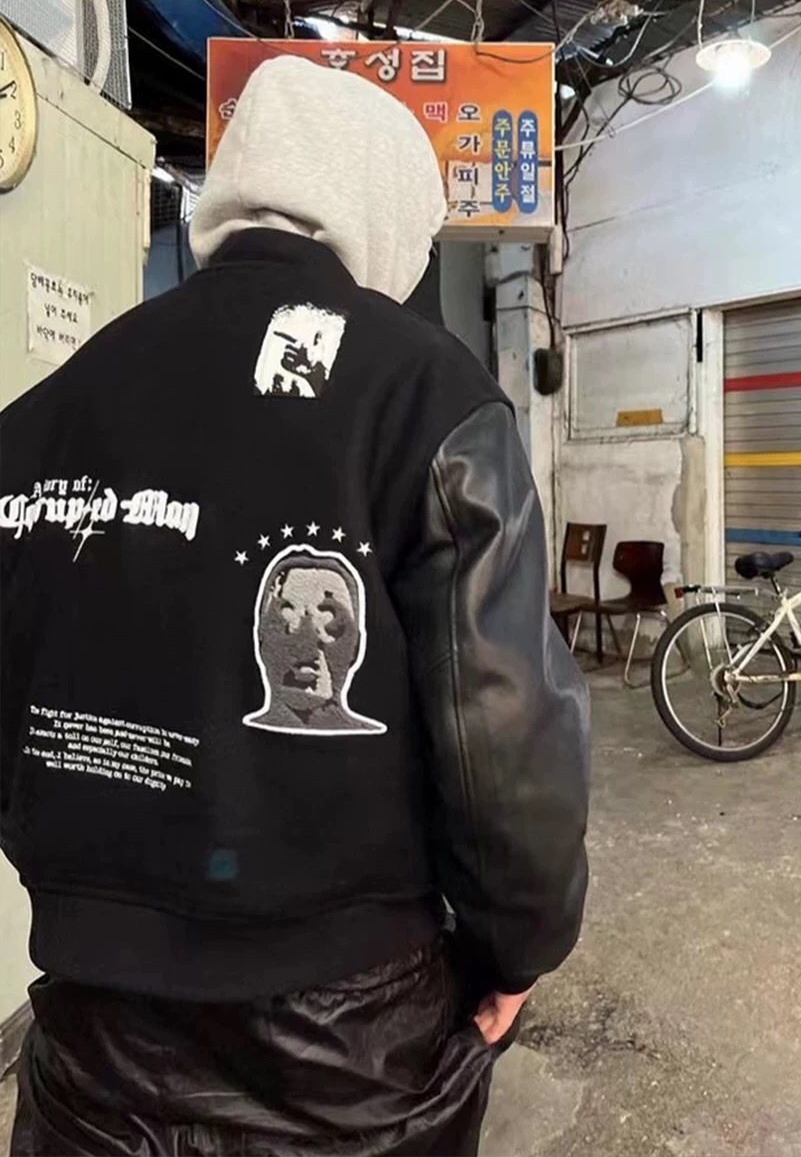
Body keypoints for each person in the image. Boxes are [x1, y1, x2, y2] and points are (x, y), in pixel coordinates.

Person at [0, 56, 590, 1156]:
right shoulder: (427, 396)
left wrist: (91, 898)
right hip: (351, 1053)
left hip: (89, 1043)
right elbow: (504, 731)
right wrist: (519, 946)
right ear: (381, 209)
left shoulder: (47, 411)